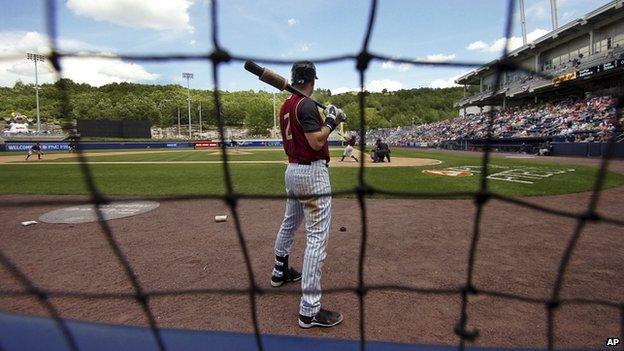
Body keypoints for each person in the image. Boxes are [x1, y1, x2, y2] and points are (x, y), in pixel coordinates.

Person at [271, 60, 345, 329]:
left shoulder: (287, 105)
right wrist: (332, 121)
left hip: (292, 170)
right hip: (312, 174)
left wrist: (329, 119)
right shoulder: (307, 104)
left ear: (294, 79)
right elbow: (317, 141)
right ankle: (309, 310)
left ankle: (280, 271)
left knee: (290, 222)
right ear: (312, 80)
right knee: (316, 238)